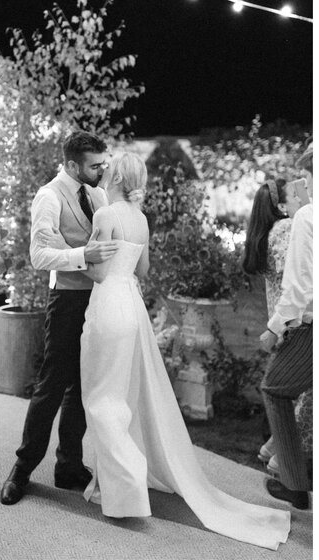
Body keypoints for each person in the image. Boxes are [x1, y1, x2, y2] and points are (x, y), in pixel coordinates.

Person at [78, 152, 290, 549]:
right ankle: (116, 481)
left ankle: (126, 484)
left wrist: (83, 257)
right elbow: (142, 271)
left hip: (107, 304)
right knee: (122, 392)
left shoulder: (105, 216)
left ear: (118, 177)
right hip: (133, 307)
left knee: (101, 396)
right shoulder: (140, 220)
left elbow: (98, 272)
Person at [0, 131, 119, 506]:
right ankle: (21, 470)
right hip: (66, 301)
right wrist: (85, 254)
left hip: (98, 300)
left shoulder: (99, 194)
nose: (103, 170)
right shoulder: (48, 196)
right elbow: (39, 255)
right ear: (71, 165)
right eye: (95, 165)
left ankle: (69, 465)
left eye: (104, 163)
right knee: (51, 386)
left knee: (83, 386)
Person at [241, 178, 308, 478]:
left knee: (292, 389)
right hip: (293, 320)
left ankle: (273, 447)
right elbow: (298, 281)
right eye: (294, 193)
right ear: (281, 204)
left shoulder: (265, 232)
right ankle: (284, 458)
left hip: (281, 319)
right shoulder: (287, 228)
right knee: (301, 393)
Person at [259, 143, 313, 511]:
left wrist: (274, 328)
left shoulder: (308, 217)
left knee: (275, 388)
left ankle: (293, 483)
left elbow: (298, 285)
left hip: (311, 327)